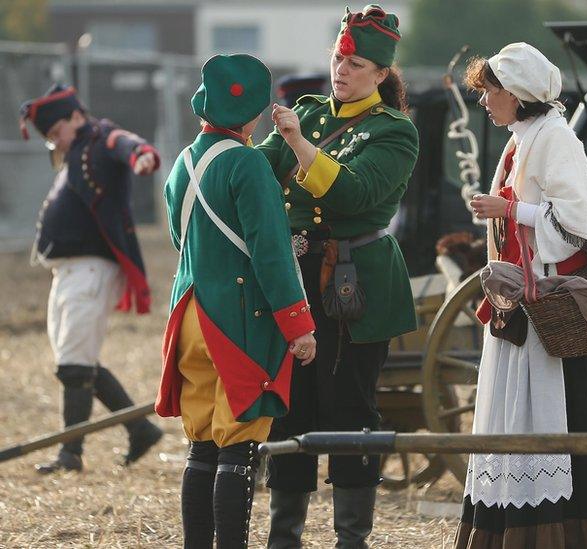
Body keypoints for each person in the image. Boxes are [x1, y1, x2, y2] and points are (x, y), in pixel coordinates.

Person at [458, 42, 587, 548]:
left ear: (518, 94)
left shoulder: (556, 138)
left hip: (551, 313)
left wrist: (509, 209)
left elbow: (578, 227)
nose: (484, 101)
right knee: (511, 415)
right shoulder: (520, 139)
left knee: (559, 416)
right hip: (520, 305)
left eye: (491, 91)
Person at [256, 5, 419, 547]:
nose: (341, 70)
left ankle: (351, 539)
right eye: (338, 59)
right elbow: (257, 174)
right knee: (290, 408)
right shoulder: (307, 112)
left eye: (355, 64)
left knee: (351, 409)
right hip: (294, 278)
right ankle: (284, 538)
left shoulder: (394, 131)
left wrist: (298, 143)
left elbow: (352, 192)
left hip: (356, 285)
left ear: (380, 74)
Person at [154, 53, 317, 548]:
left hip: (190, 314)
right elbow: (271, 253)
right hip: (236, 321)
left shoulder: (182, 162)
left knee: (202, 445)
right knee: (239, 447)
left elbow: (180, 239)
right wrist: (298, 324)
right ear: (253, 113)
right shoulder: (247, 163)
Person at [20, 84, 164, 475]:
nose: (56, 141)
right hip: (69, 270)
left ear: (76, 117)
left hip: (91, 268)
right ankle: (140, 429)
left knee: (75, 362)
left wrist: (142, 155)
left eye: (57, 132)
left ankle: (71, 454)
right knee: (75, 360)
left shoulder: (101, 137)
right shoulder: (76, 151)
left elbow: (126, 142)